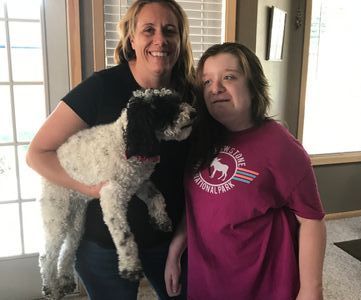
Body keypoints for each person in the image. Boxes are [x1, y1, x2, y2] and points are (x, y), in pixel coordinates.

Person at [26, 0, 195, 299]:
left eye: (170, 30)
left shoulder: (190, 96)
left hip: (171, 242)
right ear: (132, 38)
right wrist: (90, 188)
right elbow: (37, 154)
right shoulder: (101, 88)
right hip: (103, 249)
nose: (160, 40)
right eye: (148, 30)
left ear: (180, 40)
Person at [169, 42, 326, 300]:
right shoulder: (200, 139)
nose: (216, 88)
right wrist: (176, 249)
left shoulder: (281, 146)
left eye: (229, 77)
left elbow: (311, 219)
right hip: (207, 280)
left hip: (260, 285)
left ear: (253, 85)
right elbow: (198, 205)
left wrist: (311, 290)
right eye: (207, 82)